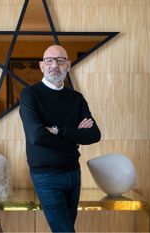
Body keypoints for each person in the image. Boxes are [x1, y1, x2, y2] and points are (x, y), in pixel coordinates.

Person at [19, 45, 101, 232]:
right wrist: (75, 136)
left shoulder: (76, 98)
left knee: (65, 229)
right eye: (49, 60)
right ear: (41, 66)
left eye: (60, 60)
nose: (54, 65)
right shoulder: (30, 95)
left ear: (68, 65)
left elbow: (94, 134)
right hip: (46, 176)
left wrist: (58, 130)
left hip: (73, 173)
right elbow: (37, 136)